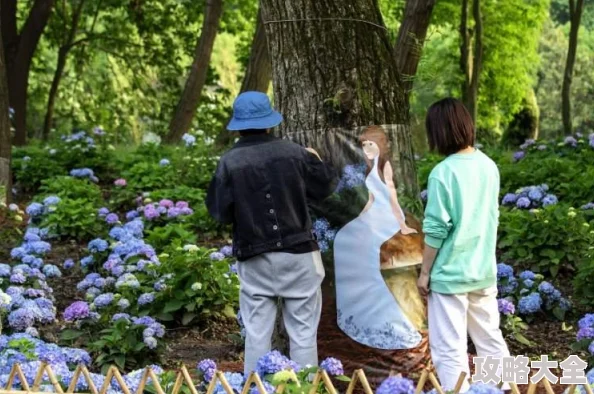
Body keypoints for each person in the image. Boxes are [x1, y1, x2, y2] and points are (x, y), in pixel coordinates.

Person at [206, 91, 338, 376]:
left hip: (254, 256)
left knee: (256, 335)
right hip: (299, 255)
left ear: (238, 126)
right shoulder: (296, 153)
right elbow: (326, 187)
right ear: (270, 122)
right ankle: (303, 389)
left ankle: (257, 388)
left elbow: (219, 212)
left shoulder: (229, 162)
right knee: (303, 336)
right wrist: (314, 159)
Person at [417, 98, 510, 392]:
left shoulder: (443, 173)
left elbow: (435, 230)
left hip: (449, 275)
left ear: (439, 132)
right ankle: (503, 389)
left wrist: (424, 272)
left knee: (449, 349)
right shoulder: (488, 166)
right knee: (490, 338)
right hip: (483, 270)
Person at [333, 125, 423, 350]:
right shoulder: (369, 169)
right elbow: (372, 200)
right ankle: (357, 310)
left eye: (371, 144)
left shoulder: (386, 168)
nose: (366, 149)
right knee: (343, 238)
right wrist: (358, 219)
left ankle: (387, 316)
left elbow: (391, 199)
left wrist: (401, 224)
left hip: (388, 218)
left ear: (382, 146)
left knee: (371, 251)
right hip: (374, 215)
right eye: (363, 145)